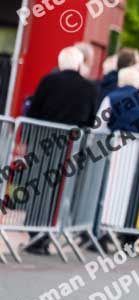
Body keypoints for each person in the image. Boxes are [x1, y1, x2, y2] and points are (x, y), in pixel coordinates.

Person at [24, 46, 99, 255]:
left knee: (37, 187)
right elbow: (92, 119)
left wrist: (28, 138)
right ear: (78, 64)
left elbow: (34, 110)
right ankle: (49, 234)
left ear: (60, 63)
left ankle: (34, 233)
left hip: (43, 143)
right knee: (60, 192)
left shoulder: (48, 81)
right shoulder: (90, 88)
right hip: (71, 147)